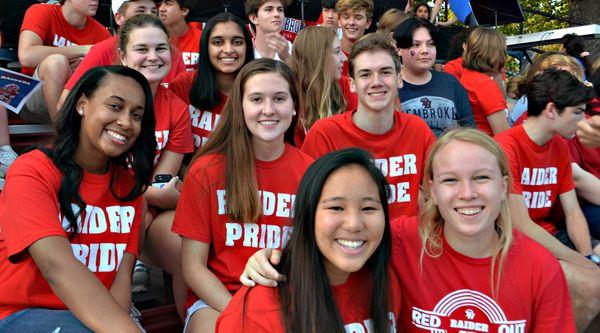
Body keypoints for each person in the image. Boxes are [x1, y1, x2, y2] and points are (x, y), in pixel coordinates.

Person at [242, 128, 576, 332]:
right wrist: (273, 257)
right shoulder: (402, 239)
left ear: (504, 186)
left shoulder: (540, 267)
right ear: (430, 189)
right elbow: (343, 240)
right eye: (450, 180)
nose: (467, 193)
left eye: (481, 178)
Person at [0, 65, 156, 332]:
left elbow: (121, 279)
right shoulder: (32, 171)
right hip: (20, 314)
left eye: (137, 114)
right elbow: (57, 267)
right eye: (115, 106)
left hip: (94, 316)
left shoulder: (129, 186)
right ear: (82, 104)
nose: (127, 122)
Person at [171, 58, 314, 333]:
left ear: (294, 107)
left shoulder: (310, 171)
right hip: (218, 300)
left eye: (280, 98)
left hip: (288, 299)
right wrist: (244, 315)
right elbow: (192, 267)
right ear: (240, 106)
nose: (268, 110)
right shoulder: (207, 170)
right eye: (257, 99)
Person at [216, 148, 400, 332]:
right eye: (336, 208)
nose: (354, 224)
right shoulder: (258, 311)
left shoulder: (387, 282)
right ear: (307, 214)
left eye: (368, 208)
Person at [495, 68, 600, 331]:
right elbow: (520, 224)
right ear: (552, 110)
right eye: (576, 112)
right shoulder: (506, 146)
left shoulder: (559, 145)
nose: (582, 120)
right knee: (592, 284)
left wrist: (588, 256)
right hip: (514, 245)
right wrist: (583, 264)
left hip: (553, 238)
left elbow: (573, 210)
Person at [301, 33, 436, 219]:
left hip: (406, 244)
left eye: (385, 72)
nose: (376, 82)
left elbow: (436, 194)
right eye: (365, 74)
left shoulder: (417, 129)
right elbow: (308, 208)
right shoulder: (325, 134)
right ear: (352, 84)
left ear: (399, 78)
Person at [118, 13, 194, 320]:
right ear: (122, 55)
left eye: (160, 48)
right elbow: (94, 174)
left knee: (184, 246)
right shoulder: (104, 97)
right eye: (142, 49)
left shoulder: (176, 108)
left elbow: (164, 178)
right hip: (102, 205)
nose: (153, 57)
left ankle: (191, 320)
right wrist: (149, 199)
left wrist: (149, 199)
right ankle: (120, 311)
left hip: (148, 207)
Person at [59, 0, 187, 109]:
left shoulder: (170, 52)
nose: (149, 17)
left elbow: (182, 103)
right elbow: (66, 102)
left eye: (154, 11)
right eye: (140, 11)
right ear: (119, 18)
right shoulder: (104, 49)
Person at [169, 12, 254, 151]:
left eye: (237, 42)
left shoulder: (260, 92)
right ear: (205, 47)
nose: (228, 50)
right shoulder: (184, 84)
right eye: (218, 42)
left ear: (248, 47)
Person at [18, 0, 111, 124]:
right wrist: (82, 49)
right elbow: (26, 56)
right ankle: (64, 133)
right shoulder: (41, 11)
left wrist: (85, 64)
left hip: (78, 100)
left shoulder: (102, 33)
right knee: (57, 62)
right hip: (31, 100)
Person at [394, 18, 474, 137]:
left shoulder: (450, 83)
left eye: (430, 44)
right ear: (399, 50)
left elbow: (469, 128)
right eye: (416, 45)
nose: (425, 50)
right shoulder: (390, 87)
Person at [288, 26, 356, 145]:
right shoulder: (291, 96)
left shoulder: (347, 86)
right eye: (336, 51)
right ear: (318, 57)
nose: (344, 58)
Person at [455, 27, 509, 136]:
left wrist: (497, 74)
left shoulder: (466, 78)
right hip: (489, 146)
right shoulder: (485, 85)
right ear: (496, 54)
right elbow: (503, 134)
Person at [158, 0, 202, 71]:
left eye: (168, 4)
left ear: (184, 11)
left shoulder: (201, 38)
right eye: (160, 4)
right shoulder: (154, 38)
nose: (161, 9)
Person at [336, 0, 373, 77]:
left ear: (368, 23)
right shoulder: (328, 55)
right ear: (339, 21)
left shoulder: (375, 56)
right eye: (346, 17)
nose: (351, 22)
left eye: (358, 18)